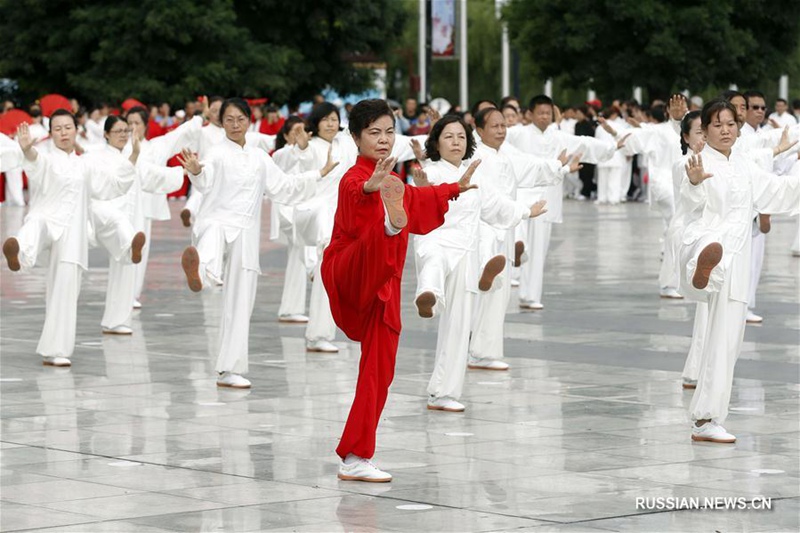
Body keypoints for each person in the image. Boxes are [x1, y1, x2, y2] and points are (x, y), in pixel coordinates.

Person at [321, 99, 478, 482]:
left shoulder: (393, 181)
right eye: (373, 132)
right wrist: (370, 189)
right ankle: (390, 228)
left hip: (384, 287)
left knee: (379, 372)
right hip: (353, 268)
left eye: (389, 132)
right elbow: (356, 197)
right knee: (384, 225)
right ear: (356, 137)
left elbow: (419, 201)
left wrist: (454, 187)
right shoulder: (353, 179)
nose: (383, 139)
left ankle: (356, 455)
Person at [177, 98, 337, 389]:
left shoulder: (260, 158)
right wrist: (196, 171)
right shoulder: (215, 153)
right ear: (221, 122)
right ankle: (201, 273)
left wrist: (319, 174)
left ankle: (231, 369)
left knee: (241, 301)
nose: (235, 125)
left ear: (249, 121)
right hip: (218, 220)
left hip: (247, 233)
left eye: (240, 119)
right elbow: (205, 178)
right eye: (229, 120)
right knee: (210, 241)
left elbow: (284, 187)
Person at [678, 99, 800, 443]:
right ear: (705, 130)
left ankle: (708, 418)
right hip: (710, 244)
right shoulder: (697, 162)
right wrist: (695, 184)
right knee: (721, 337)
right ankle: (705, 418)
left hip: (736, 258)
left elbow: (777, 191)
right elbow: (687, 204)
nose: (725, 130)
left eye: (730, 123)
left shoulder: (745, 166)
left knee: (729, 339)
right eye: (716, 125)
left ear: (739, 126)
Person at [411, 113, 550, 413]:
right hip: (436, 240)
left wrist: (526, 211)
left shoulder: (473, 173)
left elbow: (495, 206)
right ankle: (429, 298)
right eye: (449, 136)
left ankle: (443, 392)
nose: (456, 142)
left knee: (460, 324)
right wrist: (421, 189)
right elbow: (414, 206)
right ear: (436, 142)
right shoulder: (428, 171)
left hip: (466, 251)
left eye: (461, 136)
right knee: (433, 263)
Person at [2, 112, 136, 366]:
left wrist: (132, 159)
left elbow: (112, 185)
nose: (63, 133)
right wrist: (27, 150)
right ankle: (19, 254)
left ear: (77, 130)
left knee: (65, 289)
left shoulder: (86, 164)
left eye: (68, 127)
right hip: (46, 218)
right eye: (57, 129)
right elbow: (35, 163)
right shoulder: (46, 158)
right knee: (34, 228)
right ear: (50, 133)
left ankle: (57, 351)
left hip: (71, 233)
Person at [506, 95, 621, 311]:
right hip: (521, 192)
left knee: (540, 248)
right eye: (540, 112)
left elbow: (584, 144)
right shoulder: (517, 134)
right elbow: (492, 140)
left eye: (547, 113)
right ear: (530, 114)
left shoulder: (558, 137)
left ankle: (530, 295)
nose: (543, 117)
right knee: (517, 229)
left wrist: (611, 148)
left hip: (546, 198)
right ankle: (520, 250)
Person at [125, 106, 202, 309]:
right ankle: (121, 293)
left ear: (145, 126)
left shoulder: (155, 146)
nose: (133, 127)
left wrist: (199, 119)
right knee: (122, 249)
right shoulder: (120, 148)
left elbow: (178, 135)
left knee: (139, 251)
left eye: (137, 123)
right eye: (129, 123)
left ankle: (133, 293)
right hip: (123, 206)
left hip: (145, 207)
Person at [270, 116, 316, 323]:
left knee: (296, 257)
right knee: (304, 241)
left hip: (303, 209)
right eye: (295, 132)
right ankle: (312, 266)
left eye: (303, 130)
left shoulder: (309, 152)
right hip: (287, 211)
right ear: (286, 135)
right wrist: (300, 147)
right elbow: (290, 156)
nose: (300, 135)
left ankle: (289, 309)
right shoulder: (281, 154)